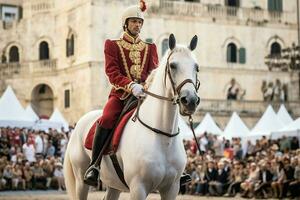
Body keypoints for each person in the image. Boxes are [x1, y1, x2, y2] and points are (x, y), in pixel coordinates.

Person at [84, 0, 191, 186]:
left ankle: (176, 168)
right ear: (125, 23)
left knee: (169, 118)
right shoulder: (112, 45)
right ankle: (95, 165)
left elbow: (155, 72)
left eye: (140, 22)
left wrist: (147, 87)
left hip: (146, 94)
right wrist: (131, 85)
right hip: (122, 94)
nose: (137, 25)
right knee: (108, 117)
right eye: (134, 21)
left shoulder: (150, 48)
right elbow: (112, 73)